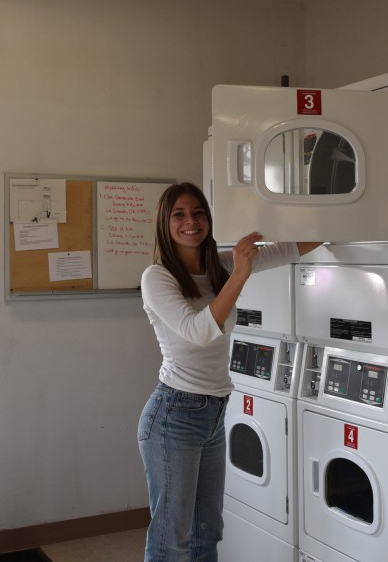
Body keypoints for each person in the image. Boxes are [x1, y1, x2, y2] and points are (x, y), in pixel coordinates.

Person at [137, 181, 321, 562]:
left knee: (208, 531)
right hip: (174, 416)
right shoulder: (158, 277)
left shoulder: (217, 265)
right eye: (180, 215)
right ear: (164, 224)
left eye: (198, 212)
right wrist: (239, 273)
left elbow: (286, 250)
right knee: (172, 539)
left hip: (214, 412)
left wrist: (345, 222)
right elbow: (199, 331)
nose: (192, 222)